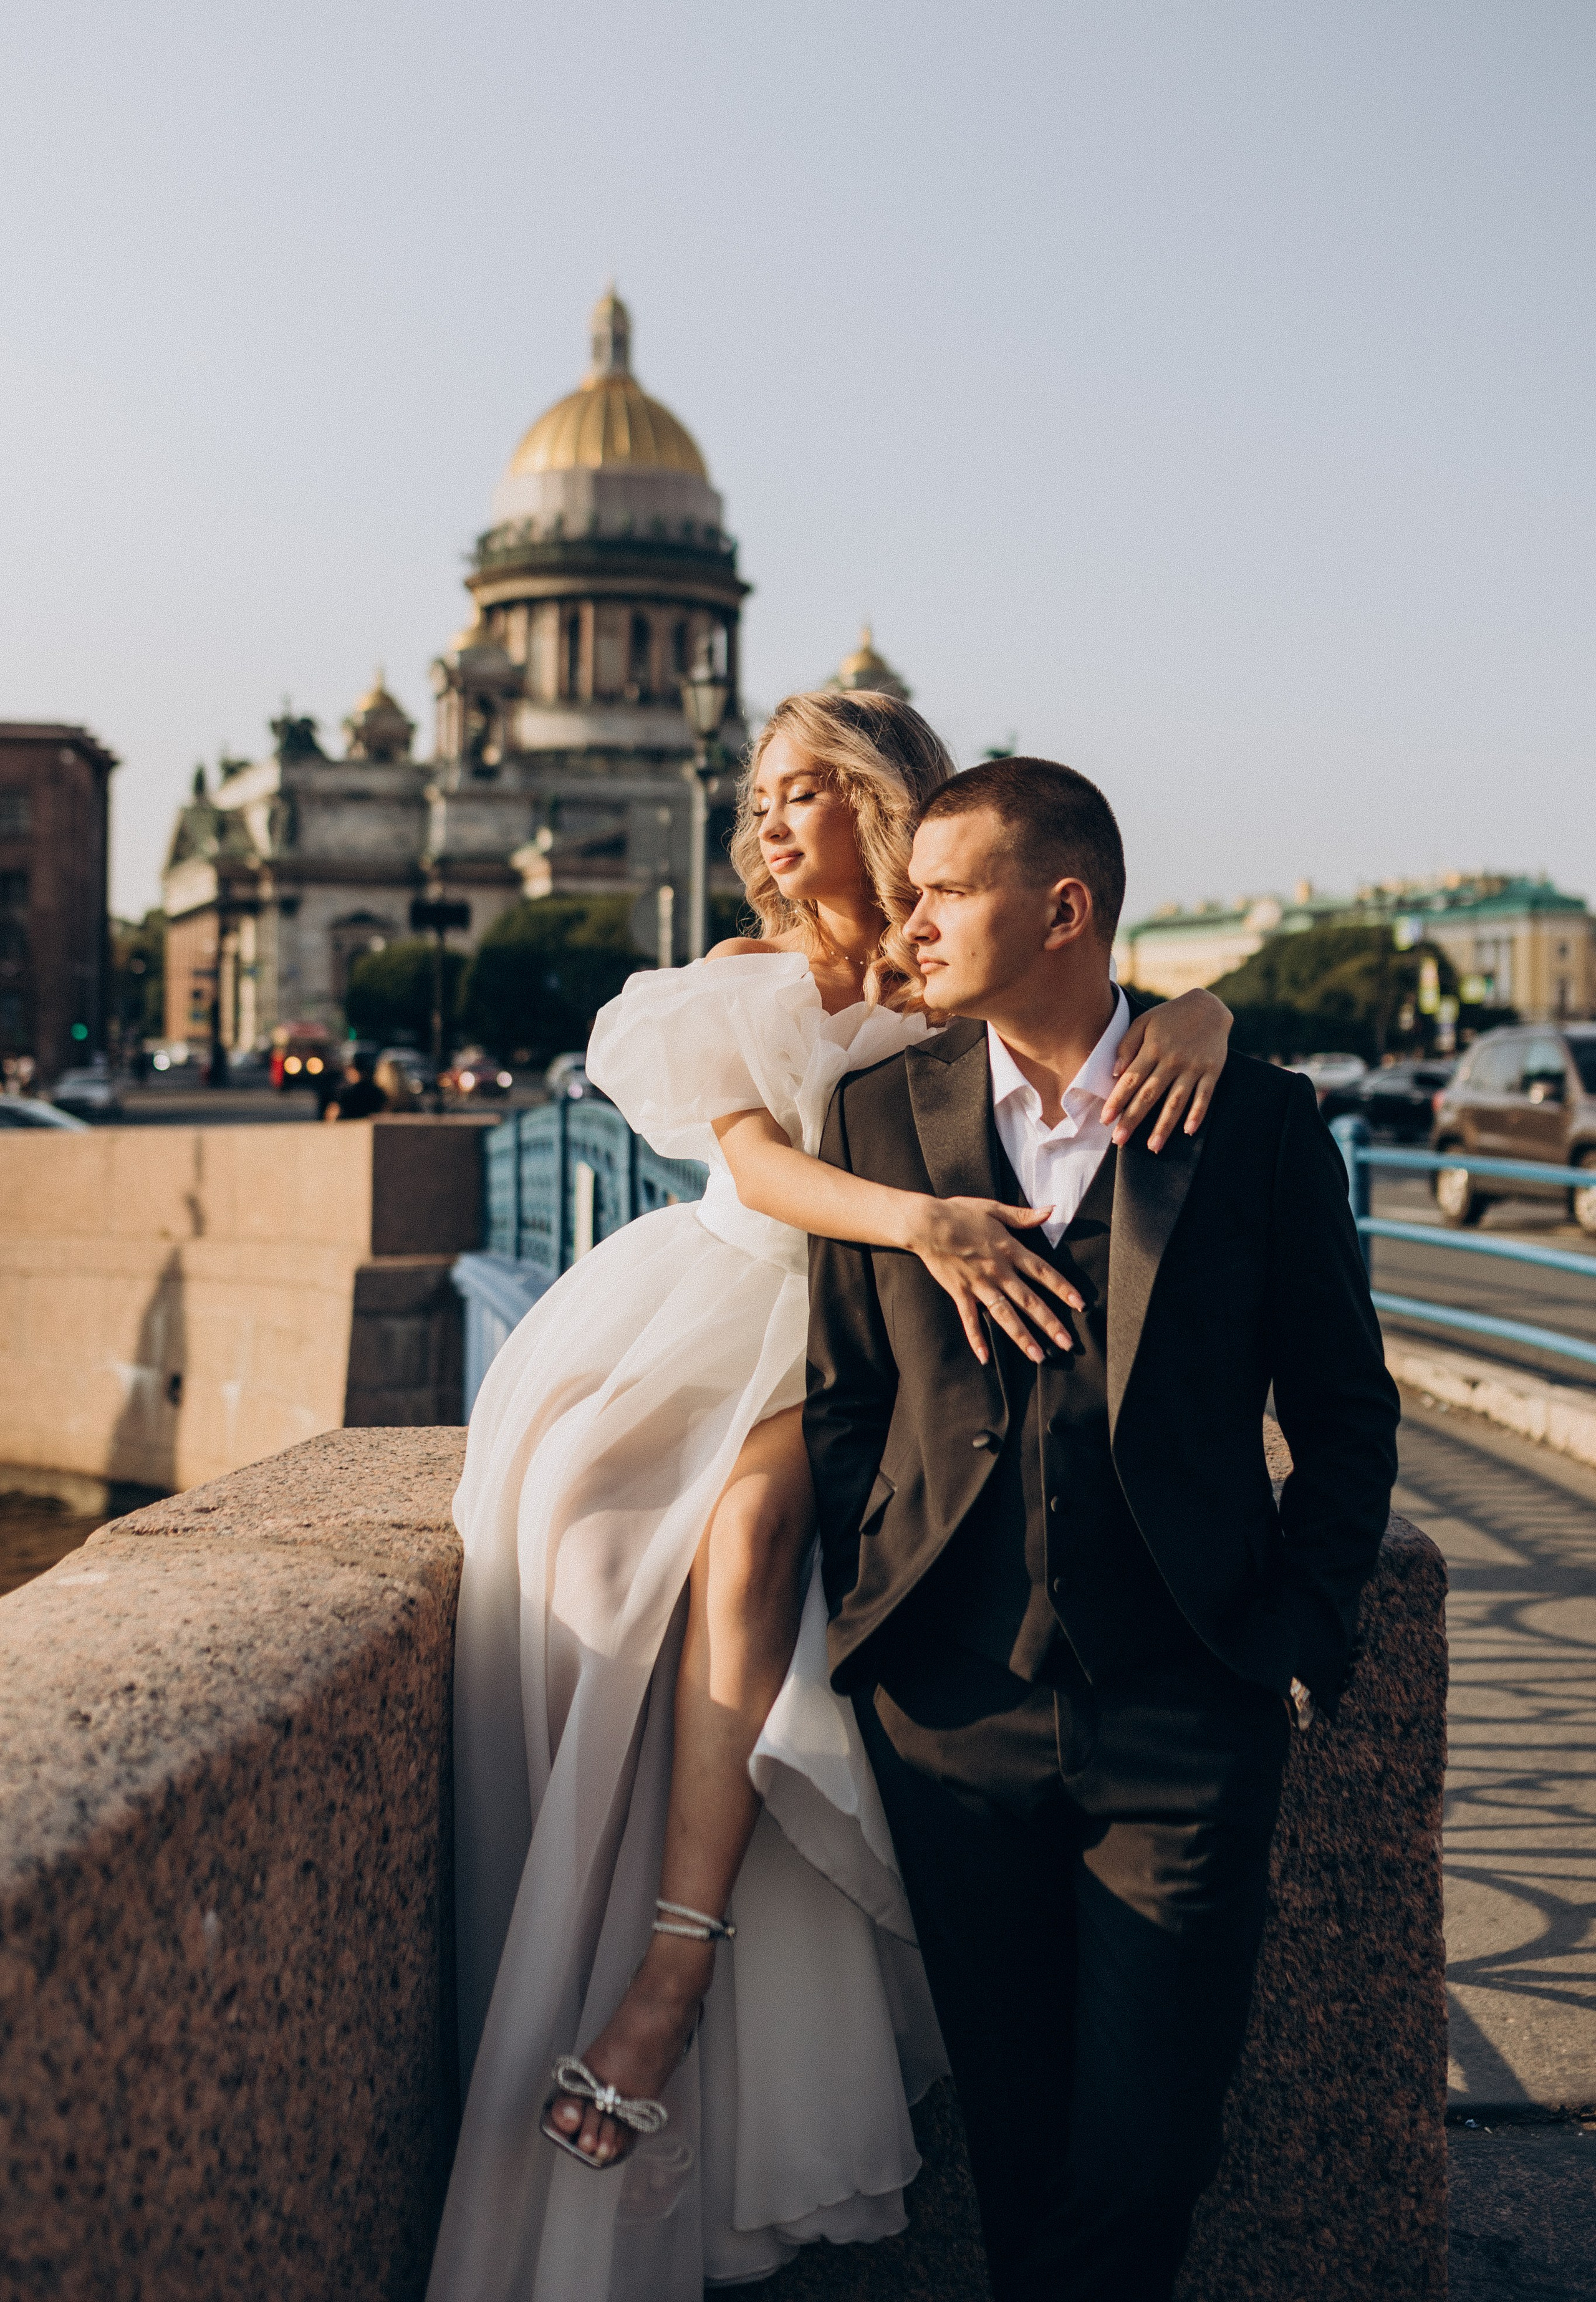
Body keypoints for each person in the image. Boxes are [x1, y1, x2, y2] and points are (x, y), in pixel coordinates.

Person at [426, 695, 1234, 2302]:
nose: (775, 820)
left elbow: (1087, 1012)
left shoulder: (954, 967)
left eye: (811, 789)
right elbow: (758, 1162)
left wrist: (1196, 1009)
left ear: (886, 798)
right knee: (618, 1553)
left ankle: (671, 1965)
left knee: (747, 1528)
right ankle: (659, 1946)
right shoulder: (739, 974)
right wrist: (927, 1219)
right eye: (763, 794)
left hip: (884, 1348)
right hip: (746, 1302)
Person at [804, 756, 1401, 2302]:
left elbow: (1344, 1409)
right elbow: (843, 1401)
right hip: (946, 1711)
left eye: (941, 890)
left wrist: (1297, 1627)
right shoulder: (877, 1113)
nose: (906, 921)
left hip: (1181, 1712)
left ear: (1060, 908)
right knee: (1012, 2141)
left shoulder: (1257, 1122)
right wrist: (867, 1627)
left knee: (1148, 2149)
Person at [323, 1048, 389, 1121]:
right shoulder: (380, 1093)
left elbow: (333, 1116)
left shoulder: (345, 1093)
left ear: (354, 1069)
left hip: (348, 1130)